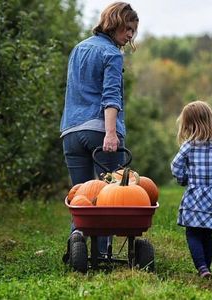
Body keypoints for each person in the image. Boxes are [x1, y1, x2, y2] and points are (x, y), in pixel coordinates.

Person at [60, 2, 139, 261]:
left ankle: (78, 245)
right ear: (114, 22)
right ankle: (102, 254)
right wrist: (111, 133)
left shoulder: (78, 49)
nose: (129, 35)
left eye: (133, 31)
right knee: (108, 196)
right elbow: (110, 97)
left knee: (82, 195)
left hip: (71, 131)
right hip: (99, 130)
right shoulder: (113, 54)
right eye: (127, 28)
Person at [170, 100, 212, 279]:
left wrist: (184, 179)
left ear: (187, 125)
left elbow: (175, 166)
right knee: (207, 233)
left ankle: (202, 268)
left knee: (192, 231)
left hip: (195, 195)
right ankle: (206, 268)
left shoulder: (189, 146)